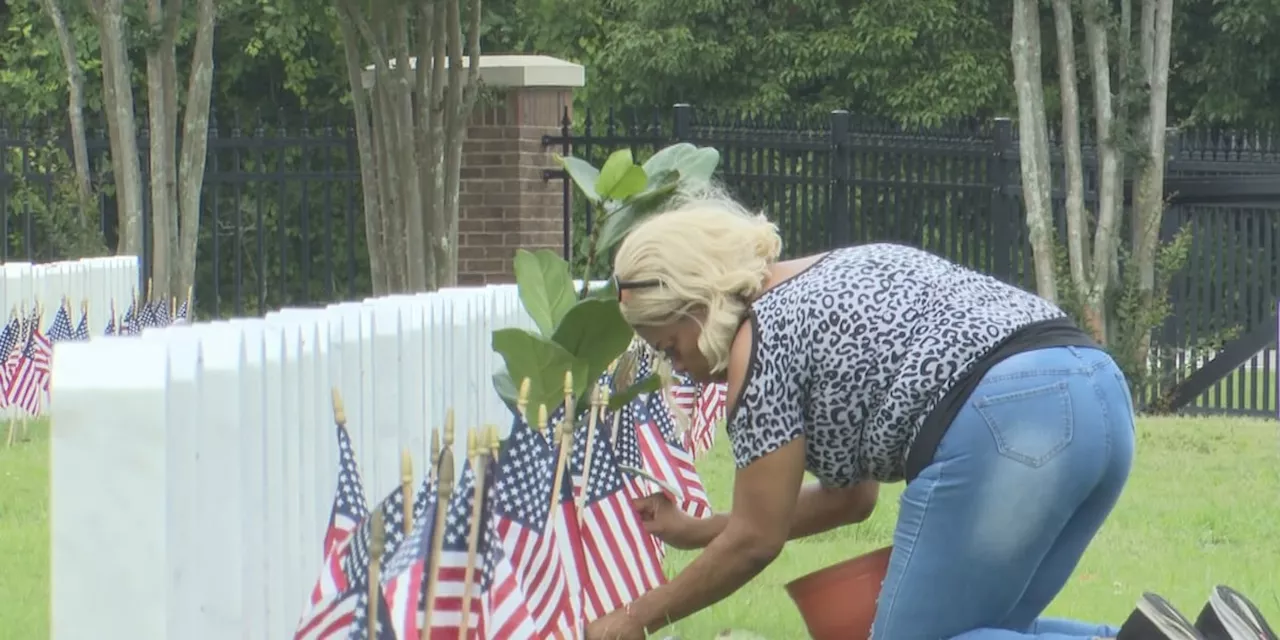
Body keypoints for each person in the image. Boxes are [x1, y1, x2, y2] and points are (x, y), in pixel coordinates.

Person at [583, 187, 1276, 640]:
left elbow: (757, 541)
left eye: (664, 341)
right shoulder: (828, 270)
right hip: (1096, 397)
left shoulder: (756, 346)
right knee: (981, 630)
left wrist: (630, 621)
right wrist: (701, 530)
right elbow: (852, 499)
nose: (673, 363)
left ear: (695, 303)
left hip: (1008, 424)